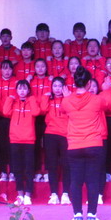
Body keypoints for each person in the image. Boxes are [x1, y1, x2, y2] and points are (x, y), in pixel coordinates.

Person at [61, 66, 109, 220]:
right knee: (92, 181)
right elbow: (108, 104)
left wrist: (67, 97)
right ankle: (91, 216)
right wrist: (106, 90)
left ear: (75, 83)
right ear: (89, 83)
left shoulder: (66, 101)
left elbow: (63, 109)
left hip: (74, 145)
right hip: (93, 144)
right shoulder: (97, 99)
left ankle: (77, 216)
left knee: (75, 181)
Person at [2, 80, 44, 205]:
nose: (22, 91)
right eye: (19, 89)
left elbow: (36, 112)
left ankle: (28, 195)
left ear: (28, 90)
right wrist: (10, 98)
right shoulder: (14, 103)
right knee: (17, 169)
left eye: (24, 88)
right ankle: (20, 194)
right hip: (15, 139)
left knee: (29, 169)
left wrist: (31, 99)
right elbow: (5, 112)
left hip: (29, 140)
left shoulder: (31, 102)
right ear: (16, 90)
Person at [41, 77, 71, 205]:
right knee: (52, 165)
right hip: (50, 134)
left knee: (66, 165)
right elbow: (42, 109)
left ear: (64, 87)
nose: (57, 89)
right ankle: (53, 194)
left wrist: (67, 97)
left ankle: (65, 193)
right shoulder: (49, 100)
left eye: (60, 86)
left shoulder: (68, 99)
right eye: (55, 86)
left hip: (65, 135)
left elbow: (71, 112)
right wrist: (45, 96)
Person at [0, 60, 18, 180]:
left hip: (13, 118)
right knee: (1, 145)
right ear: (0, 70)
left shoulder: (16, 82)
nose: (7, 71)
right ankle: (3, 171)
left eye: (9, 68)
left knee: (12, 145)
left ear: (12, 70)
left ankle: (13, 171)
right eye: (4, 68)